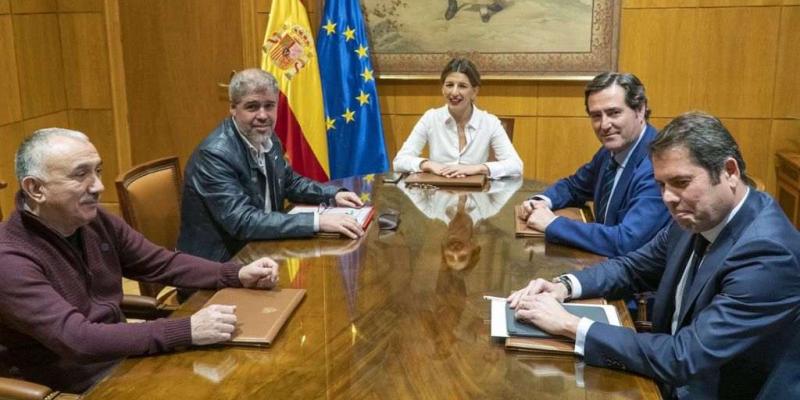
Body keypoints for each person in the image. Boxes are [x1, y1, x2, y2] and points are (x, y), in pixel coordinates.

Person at [508, 112, 800, 399]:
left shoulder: (769, 254)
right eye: (662, 184)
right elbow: (633, 267)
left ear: (730, 172)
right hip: (673, 374)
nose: (668, 198)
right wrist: (564, 285)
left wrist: (569, 325)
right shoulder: (696, 215)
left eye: (681, 182)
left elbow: (683, 357)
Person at [0, 128, 281, 393]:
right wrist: (186, 329)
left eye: (97, 171)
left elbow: (160, 263)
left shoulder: (93, 220)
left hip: (123, 359)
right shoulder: (9, 259)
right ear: (35, 189)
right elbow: (78, 339)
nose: (97, 186)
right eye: (80, 175)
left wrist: (236, 274)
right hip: (74, 385)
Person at [178, 69, 365, 263]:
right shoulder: (215, 155)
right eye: (252, 107)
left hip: (262, 251)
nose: (263, 115)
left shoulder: (266, 137)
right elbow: (243, 221)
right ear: (233, 108)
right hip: (219, 267)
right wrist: (318, 222)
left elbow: (289, 183)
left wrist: (332, 194)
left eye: (269, 106)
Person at [521, 72, 670, 257]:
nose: (604, 125)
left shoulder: (659, 164)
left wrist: (552, 224)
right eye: (596, 116)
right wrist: (541, 202)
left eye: (614, 113)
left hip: (638, 279)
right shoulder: (611, 151)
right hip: (603, 264)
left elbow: (627, 241)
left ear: (640, 110)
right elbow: (574, 186)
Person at [392, 57, 523, 180]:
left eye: (462, 86)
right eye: (449, 85)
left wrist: (475, 169)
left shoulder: (489, 122)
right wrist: (429, 165)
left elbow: (516, 166)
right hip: (438, 197)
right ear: (442, 89)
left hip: (477, 197)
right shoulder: (430, 118)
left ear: (475, 91)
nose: (454, 92)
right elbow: (399, 161)